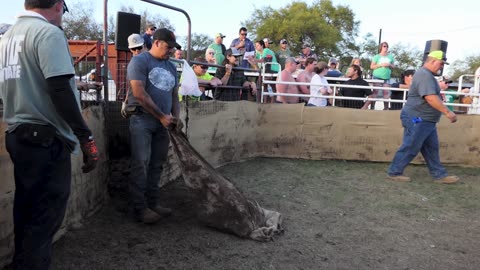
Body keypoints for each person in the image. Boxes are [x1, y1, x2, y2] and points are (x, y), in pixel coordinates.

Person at [0, 1, 99, 269]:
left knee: (27, 212)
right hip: (45, 139)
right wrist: (85, 137)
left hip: (18, 134)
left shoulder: (7, 37)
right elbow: (58, 88)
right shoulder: (48, 33)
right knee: (45, 219)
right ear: (57, 6)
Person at [126, 28, 181, 224]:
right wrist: (161, 116)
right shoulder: (139, 61)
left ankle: (152, 202)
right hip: (142, 119)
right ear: (156, 42)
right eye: (168, 47)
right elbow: (139, 94)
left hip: (163, 122)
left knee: (156, 164)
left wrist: (176, 117)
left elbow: (174, 95)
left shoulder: (172, 67)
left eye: (173, 48)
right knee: (141, 163)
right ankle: (140, 209)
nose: (171, 52)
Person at [387, 51, 459, 184]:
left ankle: (439, 175)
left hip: (425, 120)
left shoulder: (426, 75)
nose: (441, 66)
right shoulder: (424, 75)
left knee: (431, 147)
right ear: (432, 61)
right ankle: (394, 171)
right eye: (440, 63)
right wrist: (448, 112)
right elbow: (430, 98)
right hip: (418, 118)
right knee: (411, 145)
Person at [370, 41, 395, 110]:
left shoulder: (390, 57)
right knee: (375, 92)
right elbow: (372, 66)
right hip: (377, 76)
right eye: (384, 46)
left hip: (386, 77)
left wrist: (389, 64)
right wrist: (381, 65)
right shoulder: (376, 56)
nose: (386, 48)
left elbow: (393, 66)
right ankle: (372, 107)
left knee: (386, 92)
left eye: (387, 46)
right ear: (381, 47)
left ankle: (386, 108)